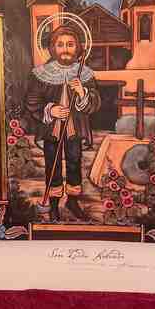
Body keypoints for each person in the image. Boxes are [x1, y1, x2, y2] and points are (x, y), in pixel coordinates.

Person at [26, 25, 101, 221]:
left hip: (74, 129)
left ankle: (72, 202)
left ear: (78, 47)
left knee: (75, 163)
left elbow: (95, 103)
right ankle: (53, 205)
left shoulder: (84, 73)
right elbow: (32, 100)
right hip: (52, 129)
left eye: (70, 44)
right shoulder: (42, 73)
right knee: (53, 165)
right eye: (60, 45)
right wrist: (51, 110)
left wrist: (83, 93)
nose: (65, 49)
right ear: (52, 48)